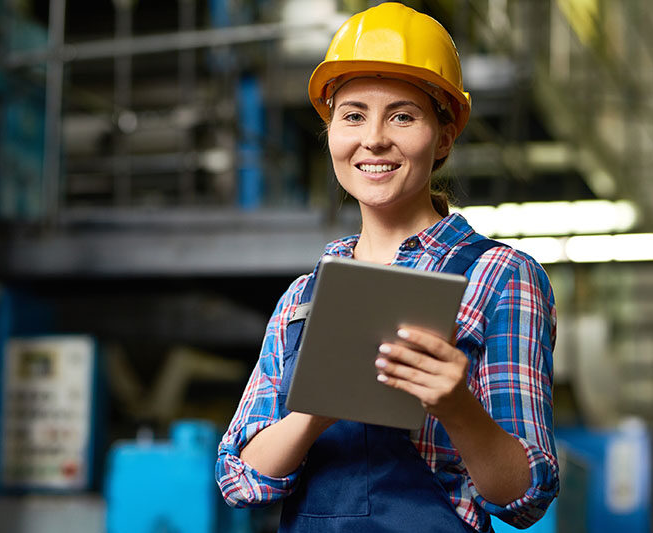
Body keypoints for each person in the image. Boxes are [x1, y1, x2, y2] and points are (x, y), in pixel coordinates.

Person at [215, 3, 559, 532]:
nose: (373, 138)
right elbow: (241, 479)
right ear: (331, 133)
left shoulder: (501, 277)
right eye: (353, 115)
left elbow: (525, 498)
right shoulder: (304, 297)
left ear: (443, 137)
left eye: (403, 115)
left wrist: (455, 406)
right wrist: (316, 410)